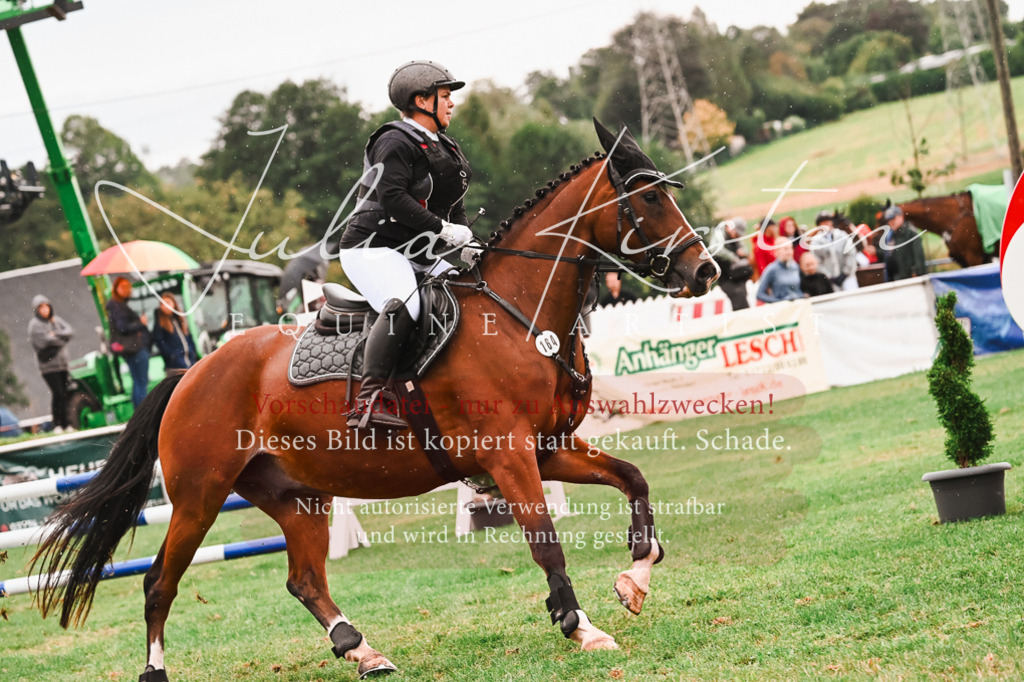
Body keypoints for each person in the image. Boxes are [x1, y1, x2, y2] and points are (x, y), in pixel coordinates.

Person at [338, 60, 473, 430]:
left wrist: (466, 241)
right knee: (405, 305)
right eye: (444, 96)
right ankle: (369, 400)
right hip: (373, 248)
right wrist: (443, 231)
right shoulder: (394, 141)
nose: (451, 103)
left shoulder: (445, 146)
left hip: (417, 253)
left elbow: (455, 205)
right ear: (421, 100)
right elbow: (394, 198)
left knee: (470, 293)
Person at [28, 294, 75, 433]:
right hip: (48, 366)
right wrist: (60, 339)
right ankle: (58, 423)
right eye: (41, 307)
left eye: (46, 307)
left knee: (65, 393)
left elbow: (70, 332)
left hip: (62, 364)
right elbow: (43, 343)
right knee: (58, 393)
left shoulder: (55, 320)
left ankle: (67, 423)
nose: (45, 310)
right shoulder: (35, 325)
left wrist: (56, 334)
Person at [106, 276, 151, 407]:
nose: (126, 290)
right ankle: (143, 411)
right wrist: (140, 323)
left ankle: (139, 411)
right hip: (134, 348)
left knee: (137, 381)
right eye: (123, 287)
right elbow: (123, 327)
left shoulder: (118, 306)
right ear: (116, 289)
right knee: (141, 382)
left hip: (130, 349)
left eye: (128, 287)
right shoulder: (118, 306)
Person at [708, 217, 752, 311]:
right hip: (725, 277)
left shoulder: (734, 237)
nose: (738, 237)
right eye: (737, 234)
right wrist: (732, 257)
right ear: (731, 228)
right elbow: (714, 249)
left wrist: (743, 252)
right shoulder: (719, 234)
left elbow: (745, 249)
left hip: (736, 275)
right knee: (738, 296)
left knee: (742, 295)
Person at [808, 210, 858, 292]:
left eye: (828, 221)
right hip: (829, 280)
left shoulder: (842, 235)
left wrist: (845, 273)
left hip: (847, 276)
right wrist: (829, 276)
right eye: (823, 223)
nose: (826, 224)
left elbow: (851, 254)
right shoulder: (816, 242)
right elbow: (817, 262)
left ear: (832, 222)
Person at [151, 293, 198, 373]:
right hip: (175, 365)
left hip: (190, 360)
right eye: (162, 304)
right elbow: (159, 341)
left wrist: (193, 351)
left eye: (168, 302)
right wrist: (172, 355)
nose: (165, 306)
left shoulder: (180, 319)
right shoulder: (160, 323)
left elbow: (189, 337)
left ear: (174, 303)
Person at [881, 206, 927, 281]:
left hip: (911, 281)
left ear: (901, 217)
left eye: (893, 218)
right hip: (897, 280)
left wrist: (916, 273)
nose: (891, 222)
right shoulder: (891, 237)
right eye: (889, 220)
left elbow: (918, 258)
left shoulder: (911, 234)